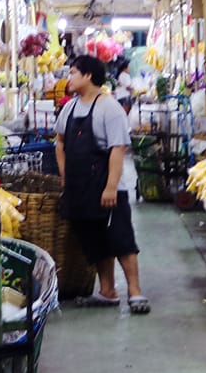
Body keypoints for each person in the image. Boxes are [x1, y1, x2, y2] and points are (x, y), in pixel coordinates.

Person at [54, 54, 146, 313]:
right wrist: (65, 177)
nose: (69, 78)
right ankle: (107, 291)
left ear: (88, 76)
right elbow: (59, 143)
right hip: (79, 188)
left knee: (120, 238)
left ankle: (135, 292)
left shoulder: (110, 108)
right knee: (95, 241)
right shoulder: (70, 108)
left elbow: (118, 149)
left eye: (73, 72)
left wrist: (110, 186)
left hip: (106, 186)